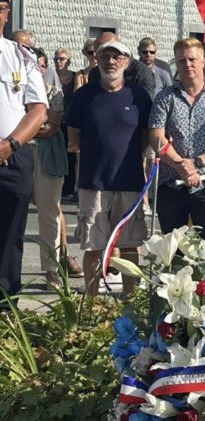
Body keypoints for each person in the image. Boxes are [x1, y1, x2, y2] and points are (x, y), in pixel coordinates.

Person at [67, 38, 152, 297]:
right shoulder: (85, 95)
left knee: (129, 247)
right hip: (93, 184)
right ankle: (91, 304)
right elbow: (73, 137)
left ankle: (130, 300)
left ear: (126, 62)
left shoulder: (139, 97)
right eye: (105, 57)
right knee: (93, 247)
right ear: (98, 60)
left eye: (116, 57)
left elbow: (147, 139)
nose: (110, 61)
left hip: (130, 183)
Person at [149, 38, 205, 243]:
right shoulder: (165, 97)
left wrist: (195, 164)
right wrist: (180, 165)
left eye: (192, 59)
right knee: (172, 253)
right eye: (181, 61)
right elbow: (155, 136)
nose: (187, 65)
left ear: (203, 61)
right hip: (171, 186)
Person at [0, 0, 48, 305]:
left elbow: (39, 110)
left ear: (6, 13)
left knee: (8, 239)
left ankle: (5, 314)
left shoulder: (20, 56)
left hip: (12, 157)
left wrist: (10, 144)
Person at [31, 49, 79, 286]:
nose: (37, 69)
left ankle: (51, 268)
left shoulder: (52, 87)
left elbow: (52, 124)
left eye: (40, 65)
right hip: (18, 151)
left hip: (47, 151)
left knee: (49, 211)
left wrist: (19, 133)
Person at [53, 48, 78, 199]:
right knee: (56, 154)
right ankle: (57, 188)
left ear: (68, 61)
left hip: (70, 121)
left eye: (62, 59)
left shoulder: (75, 76)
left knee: (71, 155)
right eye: (56, 59)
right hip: (55, 121)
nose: (59, 62)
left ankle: (68, 188)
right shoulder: (50, 76)